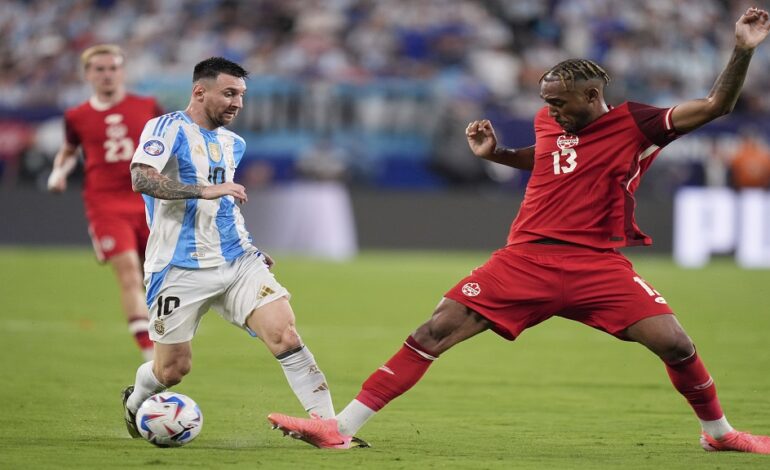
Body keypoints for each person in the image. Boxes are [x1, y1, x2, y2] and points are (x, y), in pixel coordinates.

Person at [267, 8, 770, 453]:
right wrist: (499, 155)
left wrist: (740, 50)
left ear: (593, 95)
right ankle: (340, 428)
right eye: (546, 102)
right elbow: (552, 161)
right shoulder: (550, 123)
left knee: (677, 344)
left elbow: (715, 106)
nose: (551, 111)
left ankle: (720, 434)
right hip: (525, 258)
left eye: (560, 102)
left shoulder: (639, 125)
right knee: (433, 331)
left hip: (597, 264)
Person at [120, 57, 367, 447]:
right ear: (200, 91)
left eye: (241, 95)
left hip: (237, 261)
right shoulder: (167, 128)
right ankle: (136, 399)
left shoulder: (234, 143)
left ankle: (330, 428)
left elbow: (224, 205)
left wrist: (249, 244)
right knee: (172, 370)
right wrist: (204, 189)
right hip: (177, 268)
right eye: (230, 93)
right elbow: (140, 177)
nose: (237, 103)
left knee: (284, 333)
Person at [48, 44, 163, 361]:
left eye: (113, 68)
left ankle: (161, 334)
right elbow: (69, 151)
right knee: (127, 272)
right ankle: (147, 351)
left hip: (149, 199)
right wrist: (58, 172)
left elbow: (172, 142)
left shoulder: (149, 105)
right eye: (99, 69)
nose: (107, 74)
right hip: (105, 202)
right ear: (87, 75)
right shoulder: (77, 115)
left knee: (154, 273)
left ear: (122, 72)